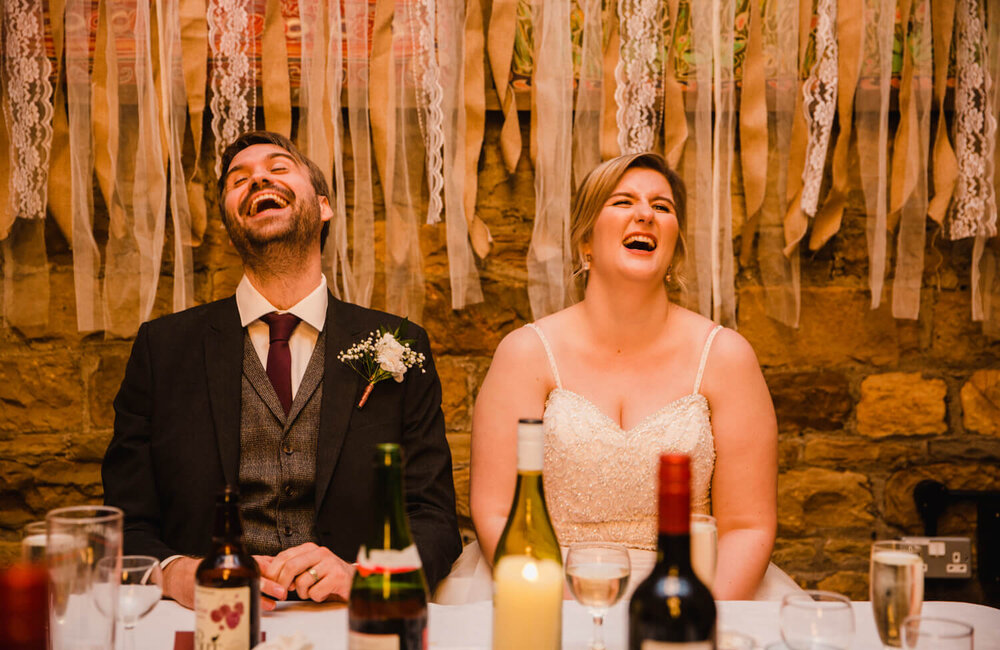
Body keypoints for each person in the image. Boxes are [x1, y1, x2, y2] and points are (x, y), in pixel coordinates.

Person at [102, 131, 461, 609]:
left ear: (324, 206)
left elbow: (434, 518)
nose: (258, 179)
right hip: (205, 619)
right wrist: (177, 575)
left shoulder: (400, 343)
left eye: (278, 167)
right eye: (238, 179)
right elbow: (125, 523)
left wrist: (366, 577)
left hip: (353, 620)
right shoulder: (163, 349)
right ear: (230, 219)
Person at [467, 152, 793, 601]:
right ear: (585, 240)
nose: (645, 214)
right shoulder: (525, 355)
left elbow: (747, 526)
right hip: (544, 584)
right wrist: (561, 610)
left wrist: (696, 621)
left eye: (663, 207)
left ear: (675, 243)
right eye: (623, 202)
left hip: (697, 588)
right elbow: (497, 511)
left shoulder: (726, 358)